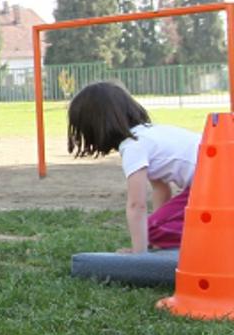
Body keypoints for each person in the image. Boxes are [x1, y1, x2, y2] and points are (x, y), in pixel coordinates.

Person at [67, 81, 200, 252]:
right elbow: (162, 190)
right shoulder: (150, 134)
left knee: (152, 229)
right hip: (219, 174)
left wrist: (139, 253)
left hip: (218, 183)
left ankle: (220, 237)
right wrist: (154, 233)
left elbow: (137, 205)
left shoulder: (133, 147)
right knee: (154, 228)